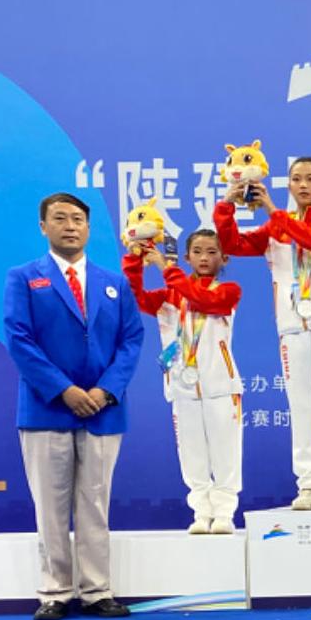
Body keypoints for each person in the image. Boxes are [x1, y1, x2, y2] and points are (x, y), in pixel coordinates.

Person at [4, 192, 144, 620]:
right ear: (43, 227)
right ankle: (55, 592)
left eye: (78, 219)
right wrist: (63, 390)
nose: (70, 226)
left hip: (103, 410)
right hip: (46, 409)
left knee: (94, 504)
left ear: (88, 227)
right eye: (60, 218)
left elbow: (132, 340)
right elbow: (19, 339)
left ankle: (98, 590)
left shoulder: (113, 281)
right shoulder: (24, 278)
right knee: (50, 506)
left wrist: (105, 391)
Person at [213, 156, 311, 510]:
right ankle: (307, 483)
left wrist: (274, 211)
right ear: (288, 184)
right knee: (301, 407)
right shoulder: (275, 228)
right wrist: (227, 205)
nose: (303, 185)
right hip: (292, 324)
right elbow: (231, 245)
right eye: (296, 179)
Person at [123, 229, 243, 535]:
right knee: (192, 455)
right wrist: (135, 260)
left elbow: (201, 299)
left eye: (212, 252)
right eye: (198, 252)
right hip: (182, 387)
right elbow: (134, 297)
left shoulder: (229, 291)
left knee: (226, 454)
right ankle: (202, 512)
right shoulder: (169, 296)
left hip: (221, 388)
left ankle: (224, 512)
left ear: (224, 258)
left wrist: (165, 268)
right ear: (187, 257)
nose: (204, 258)